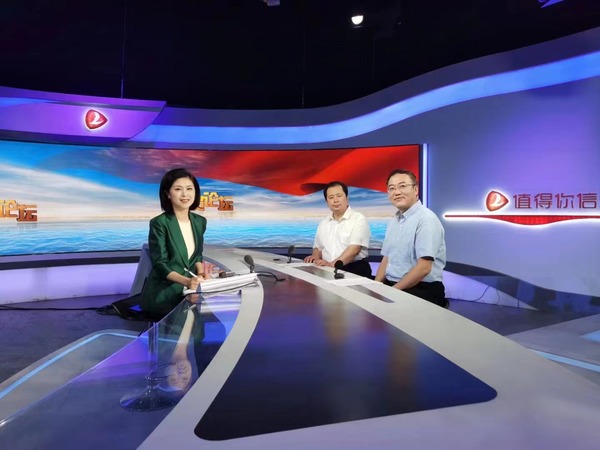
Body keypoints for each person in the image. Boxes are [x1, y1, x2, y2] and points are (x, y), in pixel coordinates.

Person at [374, 169, 448, 308]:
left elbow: (424, 268)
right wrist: (376, 288)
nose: (397, 192)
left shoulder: (426, 219)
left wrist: (391, 292)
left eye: (402, 186)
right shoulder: (393, 222)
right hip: (395, 285)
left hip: (422, 288)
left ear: (415, 189)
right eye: (391, 188)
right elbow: (386, 259)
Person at [141, 168, 208, 316]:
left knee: (196, 327)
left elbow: (197, 256)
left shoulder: (200, 222)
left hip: (190, 293)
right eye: (178, 189)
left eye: (189, 188)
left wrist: (201, 274)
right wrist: (187, 282)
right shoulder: (159, 223)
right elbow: (160, 264)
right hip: (165, 295)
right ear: (168, 194)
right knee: (172, 330)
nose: (185, 194)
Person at [304, 181, 372, 278]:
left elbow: (354, 249)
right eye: (331, 197)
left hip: (354, 269)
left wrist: (332, 264)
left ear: (347, 198)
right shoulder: (323, 222)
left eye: (339, 196)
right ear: (327, 202)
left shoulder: (358, 219)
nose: (335, 200)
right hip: (327, 268)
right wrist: (315, 257)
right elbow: (318, 247)